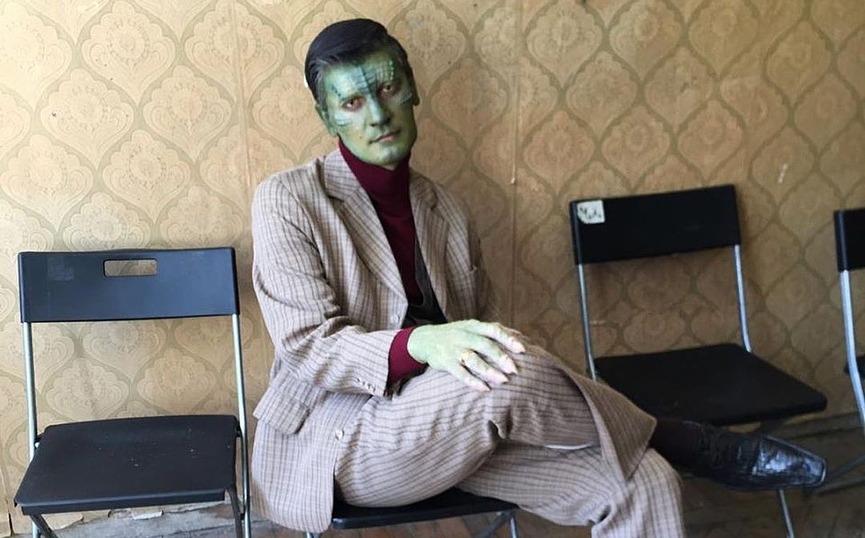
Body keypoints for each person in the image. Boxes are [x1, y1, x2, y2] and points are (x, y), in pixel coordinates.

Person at [249, 18, 826, 536]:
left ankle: (661, 446)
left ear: (412, 88)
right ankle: (680, 438)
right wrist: (422, 342)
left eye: (387, 89)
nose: (376, 115)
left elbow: (486, 332)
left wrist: (465, 355)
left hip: (458, 421)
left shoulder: (447, 210)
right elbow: (307, 347)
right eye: (351, 102)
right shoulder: (288, 199)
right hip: (345, 437)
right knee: (509, 370)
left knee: (644, 480)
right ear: (326, 117)